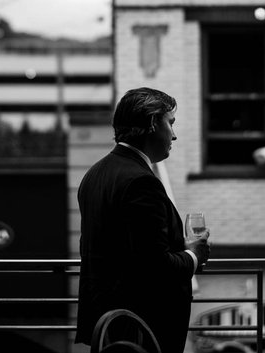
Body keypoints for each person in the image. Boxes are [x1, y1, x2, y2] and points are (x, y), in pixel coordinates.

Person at [75, 87, 210, 353]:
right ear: (151, 123)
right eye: (170, 123)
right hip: (143, 329)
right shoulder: (141, 182)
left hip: (108, 325)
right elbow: (154, 266)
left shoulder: (94, 174)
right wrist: (194, 255)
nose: (174, 134)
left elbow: (124, 247)